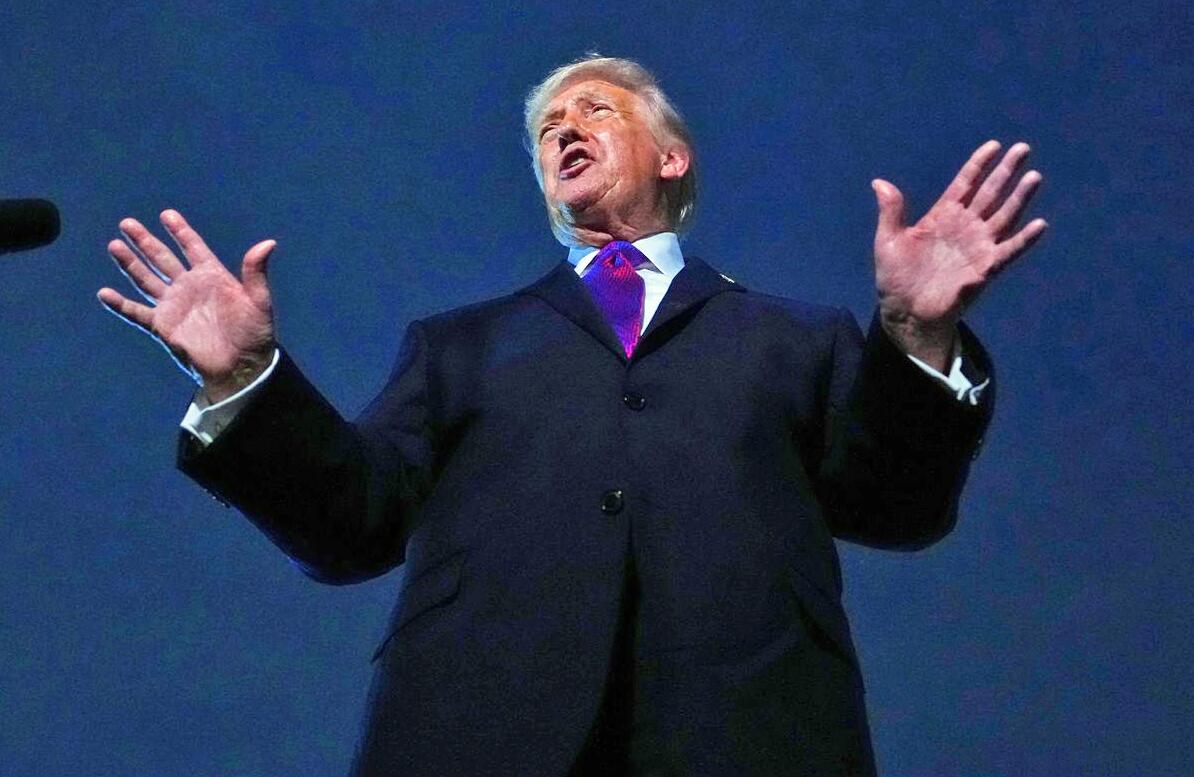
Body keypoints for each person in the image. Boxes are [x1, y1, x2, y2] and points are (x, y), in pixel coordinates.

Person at [98, 55, 1046, 776]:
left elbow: (896, 507)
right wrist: (250, 377)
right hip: (476, 729)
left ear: (671, 157)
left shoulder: (799, 339)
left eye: (595, 109)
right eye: (549, 125)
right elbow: (351, 526)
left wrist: (915, 335)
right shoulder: (457, 346)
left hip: (755, 728)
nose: (564, 129)